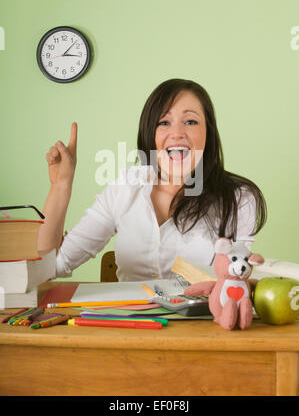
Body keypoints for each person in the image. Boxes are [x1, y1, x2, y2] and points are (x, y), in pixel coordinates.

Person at [37, 78, 267, 281]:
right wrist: (61, 184)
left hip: (204, 326)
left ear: (208, 131)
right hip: (133, 326)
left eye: (191, 122)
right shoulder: (125, 187)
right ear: (151, 133)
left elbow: (236, 279)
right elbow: (50, 267)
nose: (177, 133)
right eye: (164, 122)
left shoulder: (239, 197)